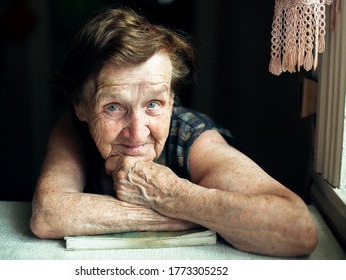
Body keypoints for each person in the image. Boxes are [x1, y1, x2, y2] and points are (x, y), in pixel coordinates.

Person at [30, 6, 318, 257]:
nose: (137, 132)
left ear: (172, 100)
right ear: (81, 106)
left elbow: (298, 228)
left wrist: (169, 194)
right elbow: (49, 215)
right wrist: (194, 216)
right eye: (114, 107)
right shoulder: (74, 128)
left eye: (153, 104)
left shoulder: (192, 135)